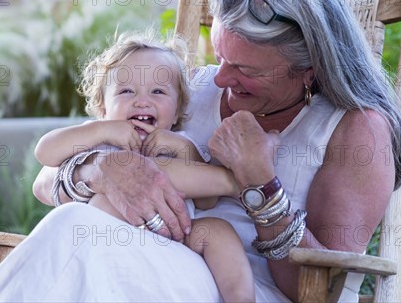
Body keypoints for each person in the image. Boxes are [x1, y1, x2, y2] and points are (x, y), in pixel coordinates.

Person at [0, 0, 401, 302]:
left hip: (244, 290)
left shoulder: (356, 131)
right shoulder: (184, 89)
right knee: (73, 229)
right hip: (143, 261)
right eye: (219, 57)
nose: (218, 78)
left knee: (75, 238)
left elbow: (323, 288)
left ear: (309, 67)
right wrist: (101, 169)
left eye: (242, 68)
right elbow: (45, 181)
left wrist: (260, 183)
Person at [32, 31, 254, 302]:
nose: (142, 101)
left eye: (158, 91)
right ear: (102, 107)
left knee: (219, 231)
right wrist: (99, 132)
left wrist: (185, 151)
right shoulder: (96, 135)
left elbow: (207, 202)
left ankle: (241, 298)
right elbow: (44, 152)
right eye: (126, 91)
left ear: (177, 111)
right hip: (112, 236)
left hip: (178, 235)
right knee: (106, 202)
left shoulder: (182, 142)